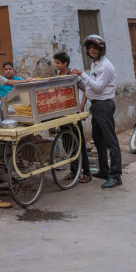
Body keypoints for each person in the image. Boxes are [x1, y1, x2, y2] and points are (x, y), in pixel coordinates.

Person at [71, 35, 122, 189]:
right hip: (97, 105)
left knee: (110, 140)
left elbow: (98, 87)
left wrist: (82, 74)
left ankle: (116, 175)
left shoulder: (105, 66)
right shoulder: (96, 64)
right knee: (98, 139)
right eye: (90, 48)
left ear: (101, 49)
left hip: (104, 105)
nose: (92, 50)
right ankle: (104, 170)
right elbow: (94, 88)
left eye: (95, 48)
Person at [53, 51, 91, 183]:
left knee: (79, 144)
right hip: (63, 114)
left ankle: (87, 173)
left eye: (58, 63)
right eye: (55, 62)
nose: (56, 65)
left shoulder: (74, 77)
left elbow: (86, 90)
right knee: (68, 144)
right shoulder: (57, 75)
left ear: (65, 63)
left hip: (73, 114)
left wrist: (81, 105)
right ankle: (74, 171)